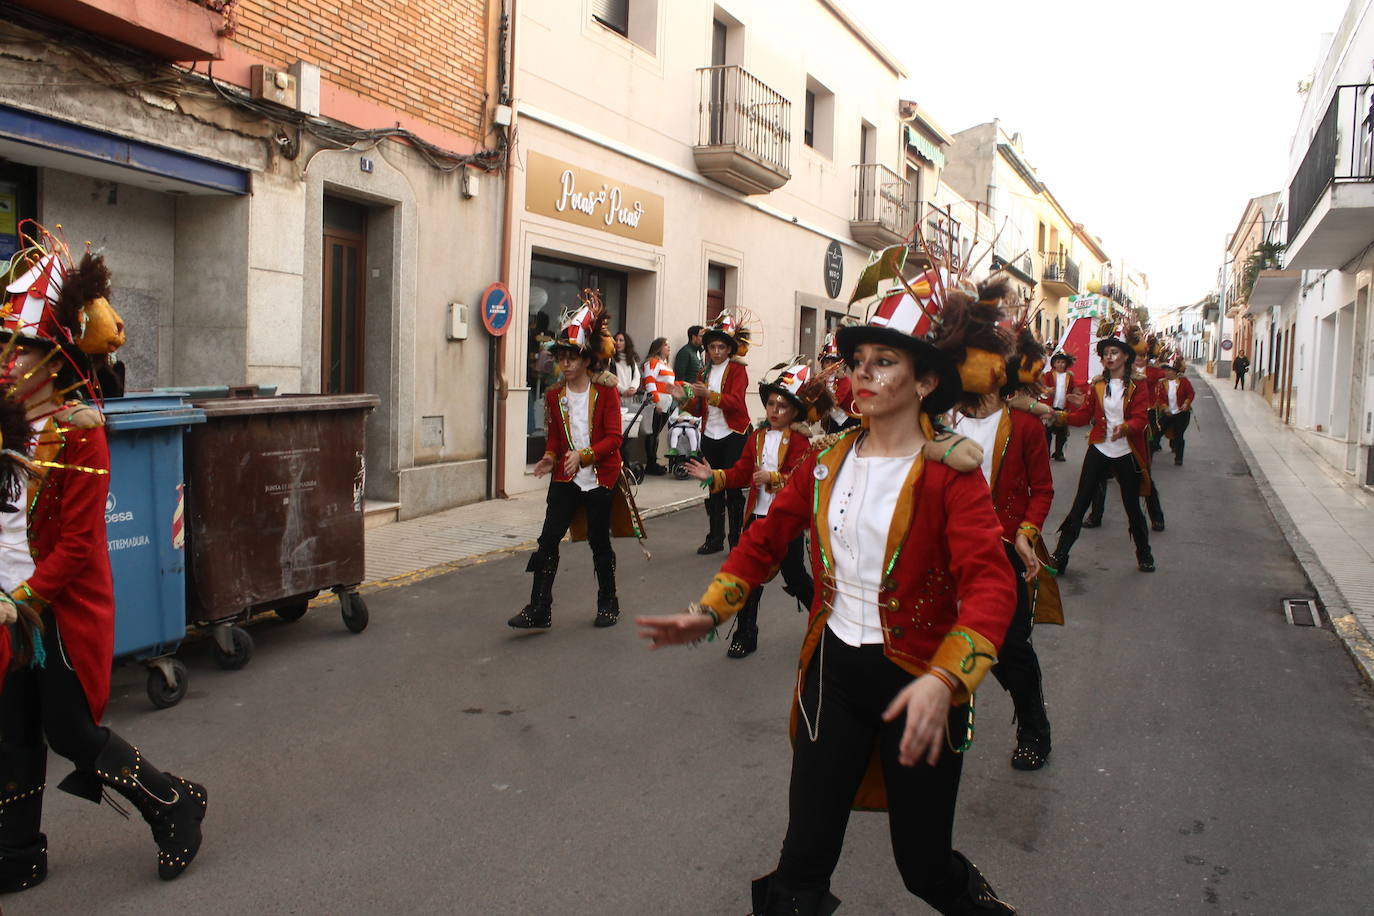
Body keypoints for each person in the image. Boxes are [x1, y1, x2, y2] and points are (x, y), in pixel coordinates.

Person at [637, 255, 1018, 915]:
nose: (861, 373)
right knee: (801, 866)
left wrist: (945, 680)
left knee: (924, 867)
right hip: (832, 674)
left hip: (919, 682)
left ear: (927, 381)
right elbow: (764, 540)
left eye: (883, 362)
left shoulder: (950, 477)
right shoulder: (826, 458)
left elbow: (991, 587)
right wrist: (710, 611)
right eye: (858, 360)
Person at [0, 242, 206, 892]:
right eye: (8, 347)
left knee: (70, 731)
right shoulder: (11, 427)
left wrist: (24, 597)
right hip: (12, 605)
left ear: (55, 358)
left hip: (58, 609)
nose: (10, 360)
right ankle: (17, 854)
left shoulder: (79, 430)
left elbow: (79, 544)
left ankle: (174, 804)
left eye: (22, 349)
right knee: (11, 729)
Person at [949, 295, 1056, 771]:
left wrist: (1026, 534)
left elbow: (1042, 489)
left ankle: (1035, 728)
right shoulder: (942, 420)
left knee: (1010, 647)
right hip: (948, 550)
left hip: (1002, 550)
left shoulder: (1025, 425)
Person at [683, 361, 821, 658]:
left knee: (795, 576)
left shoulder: (800, 441)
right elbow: (741, 472)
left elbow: (801, 480)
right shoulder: (756, 438)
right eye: (771, 404)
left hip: (786, 522)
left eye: (782, 406)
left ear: (794, 412)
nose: (775, 411)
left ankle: (824, 626)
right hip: (756, 518)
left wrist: (773, 478)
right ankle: (746, 634)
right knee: (749, 579)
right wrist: (714, 475)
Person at [508, 292, 624, 630]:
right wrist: (549, 457)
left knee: (599, 543)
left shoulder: (606, 392)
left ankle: (609, 602)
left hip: (599, 478)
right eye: (562, 358)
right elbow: (556, 438)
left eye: (572, 357)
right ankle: (539, 608)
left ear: (587, 360)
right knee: (547, 541)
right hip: (565, 478)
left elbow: (614, 439)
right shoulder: (553, 394)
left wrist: (584, 456)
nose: (566, 364)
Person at [1048, 321, 1157, 574]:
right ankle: (1060, 555)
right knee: (1080, 502)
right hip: (1099, 447)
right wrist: (1059, 416)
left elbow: (1141, 419)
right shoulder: (1097, 385)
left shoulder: (1138, 385)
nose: (1109, 357)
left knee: (1132, 506)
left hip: (1127, 451)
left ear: (1126, 356)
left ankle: (1144, 554)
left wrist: (1126, 427)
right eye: (1106, 353)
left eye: (1114, 352)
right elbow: (1085, 416)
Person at [678, 312, 751, 555]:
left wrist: (710, 395)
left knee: (733, 488)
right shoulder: (703, 372)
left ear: (729, 349)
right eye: (712, 347)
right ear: (707, 348)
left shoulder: (738, 370)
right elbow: (699, 408)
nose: (717, 351)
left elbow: (736, 403)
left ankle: (736, 541)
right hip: (710, 435)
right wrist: (683, 399)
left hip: (733, 434)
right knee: (712, 486)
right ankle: (715, 538)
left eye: (721, 347)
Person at [612, 331, 647, 473]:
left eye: (621, 340)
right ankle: (622, 462)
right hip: (617, 398)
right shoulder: (611, 359)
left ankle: (623, 462)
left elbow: (636, 376)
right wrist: (622, 390)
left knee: (629, 432)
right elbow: (611, 377)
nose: (618, 343)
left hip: (630, 400)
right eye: (616, 340)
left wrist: (633, 388)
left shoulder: (630, 360)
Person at [640, 337, 674, 475]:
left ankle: (653, 461)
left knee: (656, 434)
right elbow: (649, 382)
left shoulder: (665, 364)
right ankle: (650, 463)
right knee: (652, 433)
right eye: (665, 345)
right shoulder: (652, 362)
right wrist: (656, 401)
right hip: (656, 403)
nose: (668, 347)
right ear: (658, 347)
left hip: (665, 403)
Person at [818, 332, 859, 434]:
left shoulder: (844, 380)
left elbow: (835, 401)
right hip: (833, 421)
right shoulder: (821, 380)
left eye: (833, 362)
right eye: (827, 362)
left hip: (850, 420)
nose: (830, 365)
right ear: (822, 364)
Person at [1156, 360, 1194, 466]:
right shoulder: (1162, 383)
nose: (1166, 372)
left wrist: (1186, 404)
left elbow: (1190, 393)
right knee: (1157, 433)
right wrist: (1165, 408)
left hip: (1181, 413)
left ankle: (1179, 458)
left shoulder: (1184, 381)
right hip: (1167, 413)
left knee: (1179, 435)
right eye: (1165, 370)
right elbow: (1159, 397)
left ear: (1174, 372)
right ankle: (1151, 451)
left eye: (1168, 370)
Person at [1040, 351, 1076, 461]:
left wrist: (1074, 396)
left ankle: (1059, 452)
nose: (1060, 364)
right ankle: (1046, 452)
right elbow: (1042, 387)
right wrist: (1047, 390)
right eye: (1058, 362)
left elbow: (1072, 389)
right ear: (1054, 364)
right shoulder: (1048, 375)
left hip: (1063, 407)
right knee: (1048, 431)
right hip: (1050, 406)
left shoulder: (1069, 377)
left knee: (1062, 432)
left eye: (1063, 362)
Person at [673, 324, 704, 390]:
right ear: (694, 337)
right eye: (701, 336)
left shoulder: (699, 351)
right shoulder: (685, 352)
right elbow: (680, 376)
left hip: (697, 390)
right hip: (689, 391)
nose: (703, 338)